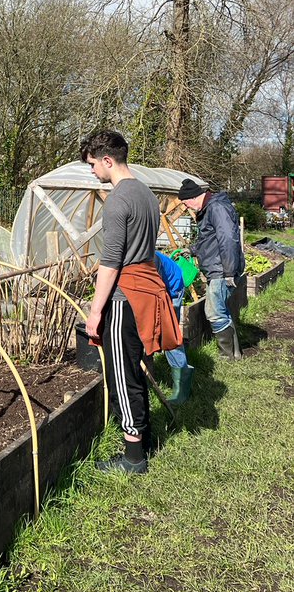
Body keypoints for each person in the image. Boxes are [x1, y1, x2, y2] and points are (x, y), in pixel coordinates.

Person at [81, 129, 183, 475]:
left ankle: (133, 458)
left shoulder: (118, 200)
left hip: (125, 297)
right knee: (137, 369)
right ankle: (146, 439)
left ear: (108, 160)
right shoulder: (146, 194)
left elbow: (110, 263)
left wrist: (95, 313)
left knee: (123, 378)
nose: (93, 172)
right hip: (148, 291)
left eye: (94, 165)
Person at [177, 178, 244, 360]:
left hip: (221, 270)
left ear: (192, 198)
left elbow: (228, 239)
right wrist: (191, 249)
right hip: (219, 268)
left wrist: (229, 271)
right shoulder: (211, 208)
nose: (188, 208)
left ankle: (226, 356)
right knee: (221, 310)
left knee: (214, 311)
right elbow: (210, 240)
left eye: (185, 204)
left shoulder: (216, 208)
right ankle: (235, 355)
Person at [155, 250, 194, 405]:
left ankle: (182, 389)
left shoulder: (149, 260)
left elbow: (155, 291)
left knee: (169, 335)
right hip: (165, 282)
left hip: (172, 289)